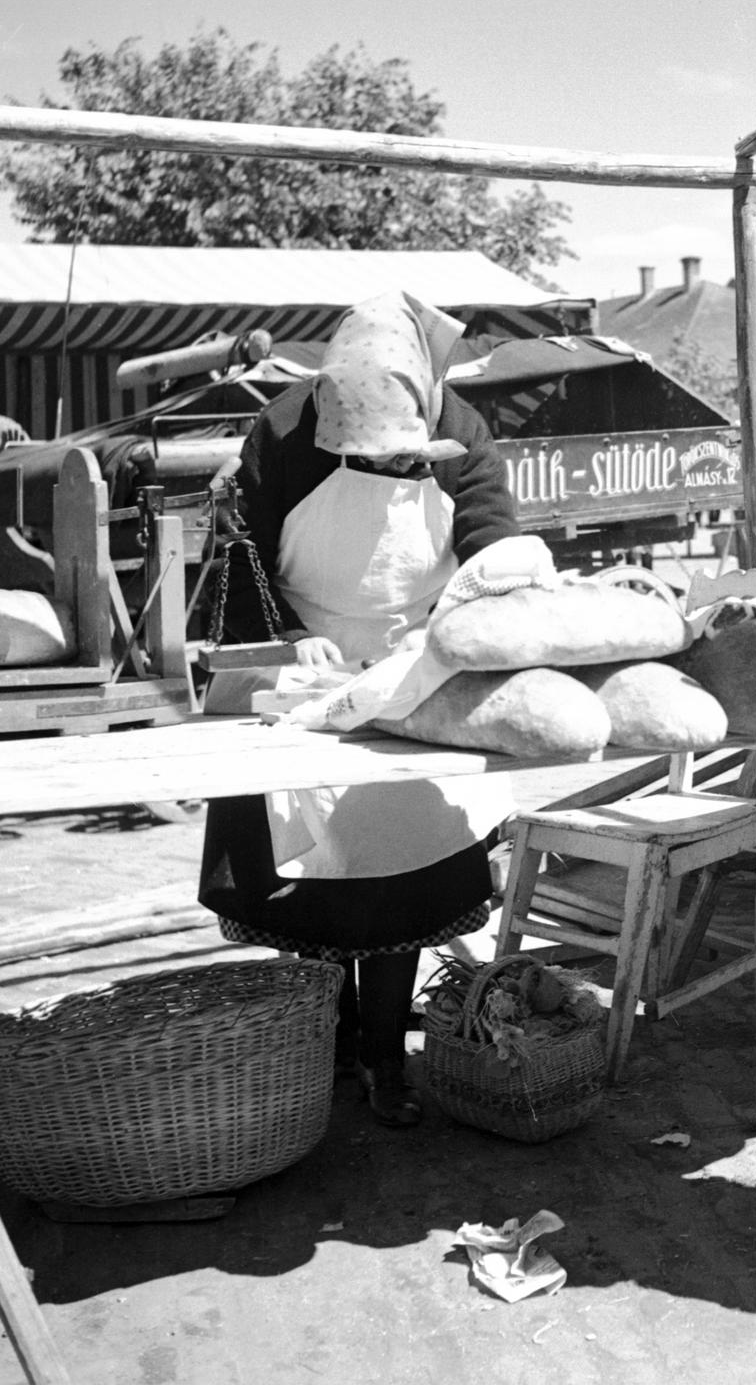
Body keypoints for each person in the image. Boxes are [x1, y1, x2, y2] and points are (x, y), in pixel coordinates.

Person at [198, 289, 520, 1127]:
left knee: (401, 881)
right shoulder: (280, 431)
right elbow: (241, 556)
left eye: (403, 462)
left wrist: (463, 626)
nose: (389, 476)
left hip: (414, 672)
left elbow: (490, 544)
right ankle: (327, 1042)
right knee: (310, 888)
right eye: (370, 462)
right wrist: (285, 636)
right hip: (305, 674)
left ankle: (383, 1052)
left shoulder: (465, 433)